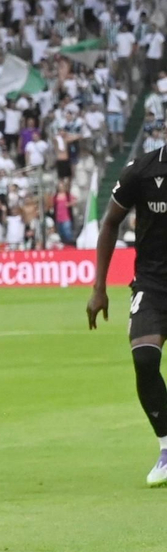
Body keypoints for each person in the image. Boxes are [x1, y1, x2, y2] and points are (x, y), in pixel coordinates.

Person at [88, 145, 167, 486]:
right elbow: (110, 224)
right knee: (145, 359)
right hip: (152, 283)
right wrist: (99, 287)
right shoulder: (142, 170)